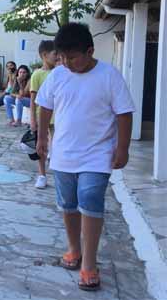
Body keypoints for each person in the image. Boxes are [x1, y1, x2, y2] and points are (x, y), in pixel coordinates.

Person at [36, 23, 134, 292]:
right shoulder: (58, 75)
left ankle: (89, 263)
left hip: (98, 154)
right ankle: (74, 249)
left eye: (72, 57)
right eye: (62, 57)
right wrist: (41, 137)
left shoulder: (109, 76)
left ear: (90, 51)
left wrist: (123, 148)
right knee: (68, 204)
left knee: (90, 199)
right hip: (64, 153)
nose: (66, 63)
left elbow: (124, 113)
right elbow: (45, 106)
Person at [29, 40, 57, 189]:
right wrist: (32, 119)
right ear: (45, 55)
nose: (57, 56)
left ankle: (58, 175)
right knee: (41, 146)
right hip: (42, 116)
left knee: (57, 146)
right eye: (55, 53)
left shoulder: (60, 72)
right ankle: (42, 175)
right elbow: (33, 100)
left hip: (58, 117)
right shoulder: (37, 74)